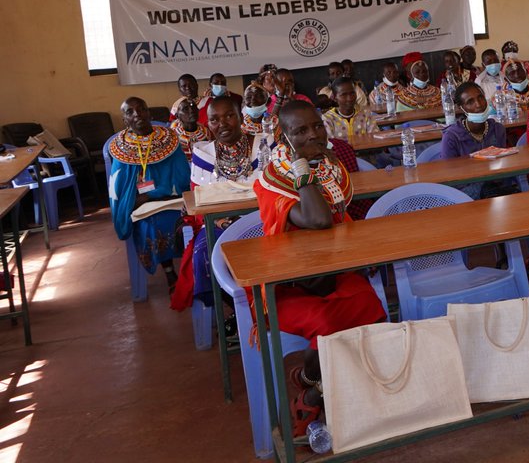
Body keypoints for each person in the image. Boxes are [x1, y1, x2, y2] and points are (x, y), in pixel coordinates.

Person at [253, 101, 385, 440]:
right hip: (289, 286)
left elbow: (339, 223)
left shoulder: (332, 167)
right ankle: (313, 395)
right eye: (301, 131)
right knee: (328, 326)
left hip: (332, 273)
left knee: (373, 310)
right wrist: (300, 168)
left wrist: (309, 165)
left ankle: (310, 386)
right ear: (283, 136)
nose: (314, 135)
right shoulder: (272, 179)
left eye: (317, 126)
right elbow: (318, 219)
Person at [172, 95, 269, 313]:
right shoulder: (203, 154)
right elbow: (199, 200)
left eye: (229, 116)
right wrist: (225, 223)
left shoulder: (264, 145)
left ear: (240, 117)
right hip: (219, 223)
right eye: (214, 119)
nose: (222, 124)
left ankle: (269, 305)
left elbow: (275, 190)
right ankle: (240, 311)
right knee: (204, 252)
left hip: (263, 219)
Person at [107, 96, 190, 286]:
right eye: (130, 112)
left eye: (141, 109)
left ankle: (191, 271)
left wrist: (151, 195)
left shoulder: (169, 139)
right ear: (124, 120)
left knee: (183, 221)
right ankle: (170, 274)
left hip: (171, 198)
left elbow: (181, 176)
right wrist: (137, 199)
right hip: (142, 204)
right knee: (150, 225)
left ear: (149, 112)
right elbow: (120, 187)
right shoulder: (121, 148)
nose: (137, 114)